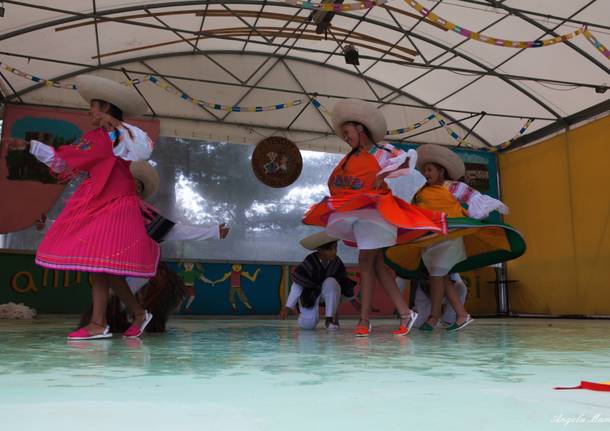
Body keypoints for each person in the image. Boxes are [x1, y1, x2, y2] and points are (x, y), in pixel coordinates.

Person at [6, 75, 159, 340]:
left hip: (118, 204)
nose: (89, 111)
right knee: (101, 267)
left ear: (106, 107)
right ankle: (131, 315)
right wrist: (30, 146)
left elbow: (139, 153)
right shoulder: (91, 139)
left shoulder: (129, 133)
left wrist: (114, 128)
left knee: (102, 266)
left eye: (93, 106)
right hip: (97, 201)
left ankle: (103, 323)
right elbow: (64, 163)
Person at [303, 99, 447, 336]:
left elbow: (407, 159)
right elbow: (337, 185)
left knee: (366, 262)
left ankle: (364, 319)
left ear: (360, 128)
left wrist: (385, 172)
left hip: (378, 214)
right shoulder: (349, 159)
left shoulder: (382, 151)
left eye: (348, 132)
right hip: (360, 216)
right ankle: (404, 312)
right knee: (377, 264)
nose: (346, 138)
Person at [385, 144, 525, 332]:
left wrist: (477, 213)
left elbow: (475, 200)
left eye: (429, 169)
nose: (426, 173)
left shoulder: (453, 187)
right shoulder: (420, 193)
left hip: (450, 236)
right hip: (429, 239)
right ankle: (461, 315)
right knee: (439, 276)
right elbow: (413, 213)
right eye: (424, 170)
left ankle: (435, 318)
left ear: (441, 170)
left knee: (438, 276)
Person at [279, 232, 356, 330]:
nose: (334, 252)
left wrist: (353, 300)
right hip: (310, 293)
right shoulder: (310, 261)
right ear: (320, 250)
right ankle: (305, 313)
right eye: (330, 249)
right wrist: (288, 306)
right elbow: (298, 283)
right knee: (308, 325)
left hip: (327, 293)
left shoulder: (337, 262)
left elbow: (344, 282)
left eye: (335, 248)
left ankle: (330, 319)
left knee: (332, 282)